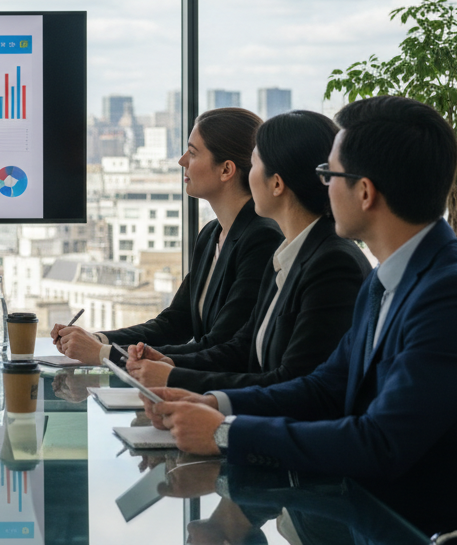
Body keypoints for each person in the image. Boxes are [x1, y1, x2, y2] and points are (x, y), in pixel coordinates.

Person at [145, 96, 457, 535]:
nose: (322, 186)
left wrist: (227, 432)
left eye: (330, 174)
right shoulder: (387, 280)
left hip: (446, 531)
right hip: (386, 512)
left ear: (365, 191)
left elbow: (380, 443)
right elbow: (325, 387)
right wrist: (214, 404)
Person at [126, 111, 370, 392]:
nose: (247, 176)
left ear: (277, 184)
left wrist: (175, 379)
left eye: (253, 164)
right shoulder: (287, 253)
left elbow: (294, 384)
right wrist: (170, 363)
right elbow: (241, 347)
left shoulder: (332, 263)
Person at [54, 108, 282, 365]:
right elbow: (174, 323)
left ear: (226, 169)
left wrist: (105, 355)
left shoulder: (262, 239)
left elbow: (221, 346)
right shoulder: (211, 234)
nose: (182, 160)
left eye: (193, 153)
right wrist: (99, 340)